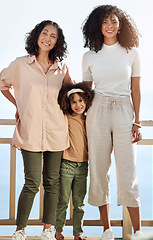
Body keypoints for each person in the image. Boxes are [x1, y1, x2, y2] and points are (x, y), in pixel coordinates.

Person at [0, 20, 72, 240]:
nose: (48, 38)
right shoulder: (21, 64)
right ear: (37, 36)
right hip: (30, 131)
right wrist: (18, 105)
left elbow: (73, 92)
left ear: (57, 42)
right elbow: (2, 84)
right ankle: (20, 230)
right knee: (31, 182)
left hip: (57, 131)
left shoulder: (62, 68)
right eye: (45, 33)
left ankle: (47, 229)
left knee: (52, 182)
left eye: (53, 36)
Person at [82, 5, 142, 240]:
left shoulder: (132, 52)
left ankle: (137, 231)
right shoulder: (89, 55)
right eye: (105, 21)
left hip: (124, 110)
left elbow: (135, 89)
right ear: (98, 25)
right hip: (96, 111)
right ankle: (107, 229)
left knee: (129, 170)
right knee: (98, 169)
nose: (110, 25)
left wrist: (137, 122)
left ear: (120, 24)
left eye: (114, 21)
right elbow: (85, 93)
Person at [55, 82, 94, 240]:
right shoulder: (65, 117)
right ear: (68, 103)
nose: (78, 105)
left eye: (81, 101)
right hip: (66, 165)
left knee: (79, 203)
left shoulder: (89, 119)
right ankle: (58, 231)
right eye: (74, 102)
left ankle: (78, 234)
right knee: (63, 200)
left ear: (86, 101)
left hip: (83, 166)